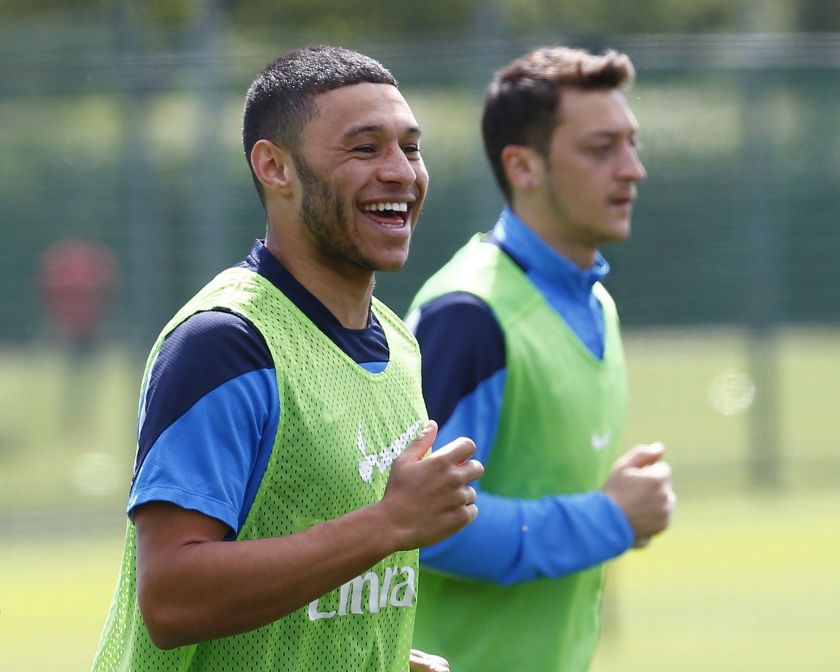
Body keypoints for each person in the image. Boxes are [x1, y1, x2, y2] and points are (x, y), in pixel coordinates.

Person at [92, 45, 483, 672]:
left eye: (410, 148)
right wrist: (392, 522)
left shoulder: (396, 340)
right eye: (364, 149)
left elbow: (315, 589)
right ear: (275, 167)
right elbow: (172, 598)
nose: (402, 173)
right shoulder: (226, 344)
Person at [406, 46, 676, 671]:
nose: (632, 169)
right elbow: (426, 526)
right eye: (600, 148)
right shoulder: (470, 314)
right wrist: (609, 518)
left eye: (631, 144)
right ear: (523, 167)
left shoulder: (596, 303)